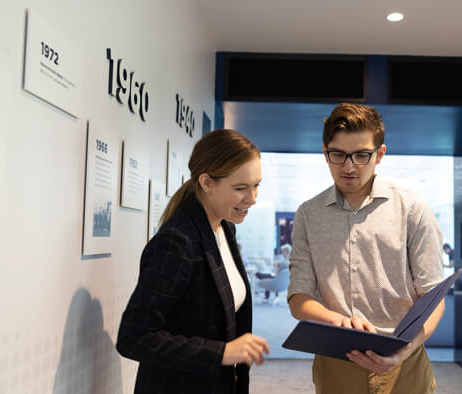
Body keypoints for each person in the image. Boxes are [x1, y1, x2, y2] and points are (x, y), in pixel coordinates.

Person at [287, 103, 445, 393]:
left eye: (361, 155)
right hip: (336, 364)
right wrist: (339, 321)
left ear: (380, 154)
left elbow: (433, 298)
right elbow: (299, 299)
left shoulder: (412, 209)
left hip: (404, 363)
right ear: (325, 152)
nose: (349, 167)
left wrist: (404, 351)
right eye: (338, 155)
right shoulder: (309, 214)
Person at [116, 129, 270, 394]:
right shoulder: (177, 242)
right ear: (207, 182)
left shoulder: (225, 227)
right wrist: (222, 352)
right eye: (240, 188)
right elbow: (134, 337)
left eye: (256, 185)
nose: (253, 198)